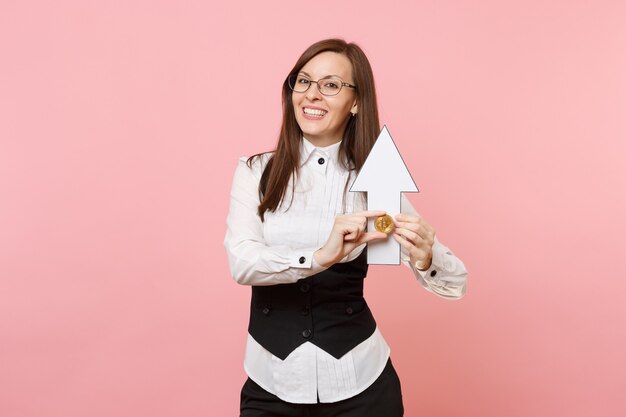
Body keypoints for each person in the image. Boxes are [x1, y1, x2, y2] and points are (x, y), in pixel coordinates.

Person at [224, 38, 468, 417]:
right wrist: (322, 256)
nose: (312, 95)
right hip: (271, 381)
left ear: (356, 102)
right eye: (302, 81)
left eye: (331, 85)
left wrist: (426, 256)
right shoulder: (255, 172)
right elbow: (242, 263)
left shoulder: (375, 182)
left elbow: (456, 284)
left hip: (362, 385)